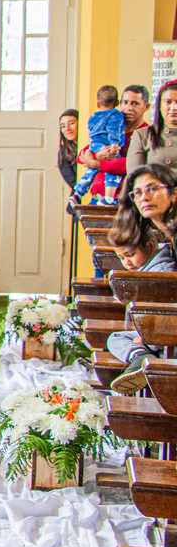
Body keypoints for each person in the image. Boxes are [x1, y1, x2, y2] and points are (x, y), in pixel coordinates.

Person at [106, 165, 177, 393]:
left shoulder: (162, 267)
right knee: (115, 337)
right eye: (137, 192)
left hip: (167, 336)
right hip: (161, 333)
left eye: (152, 189)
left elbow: (167, 310)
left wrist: (147, 340)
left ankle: (142, 359)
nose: (144, 197)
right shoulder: (167, 240)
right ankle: (140, 358)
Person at [80, 83, 151, 201]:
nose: (129, 108)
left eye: (135, 103)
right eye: (125, 102)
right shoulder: (114, 126)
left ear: (146, 106)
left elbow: (131, 163)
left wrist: (97, 164)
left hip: (124, 200)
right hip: (96, 198)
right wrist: (97, 155)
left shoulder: (147, 134)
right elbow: (82, 156)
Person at [71, 85, 124, 205]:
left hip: (94, 145)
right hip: (107, 145)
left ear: (98, 103)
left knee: (91, 170)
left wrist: (95, 158)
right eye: (125, 102)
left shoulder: (93, 117)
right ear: (117, 103)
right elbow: (113, 129)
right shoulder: (115, 115)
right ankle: (109, 198)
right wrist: (114, 143)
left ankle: (77, 193)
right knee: (112, 166)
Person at [127, 80, 177, 171]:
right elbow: (134, 174)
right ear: (159, 105)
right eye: (168, 102)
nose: (174, 107)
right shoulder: (142, 135)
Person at [58, 109, 79, 191]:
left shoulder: (95, 145)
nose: (67, 129)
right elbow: (72, 181)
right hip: (80, 193)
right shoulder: (63, 151)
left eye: (71, 123)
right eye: (63, 126)